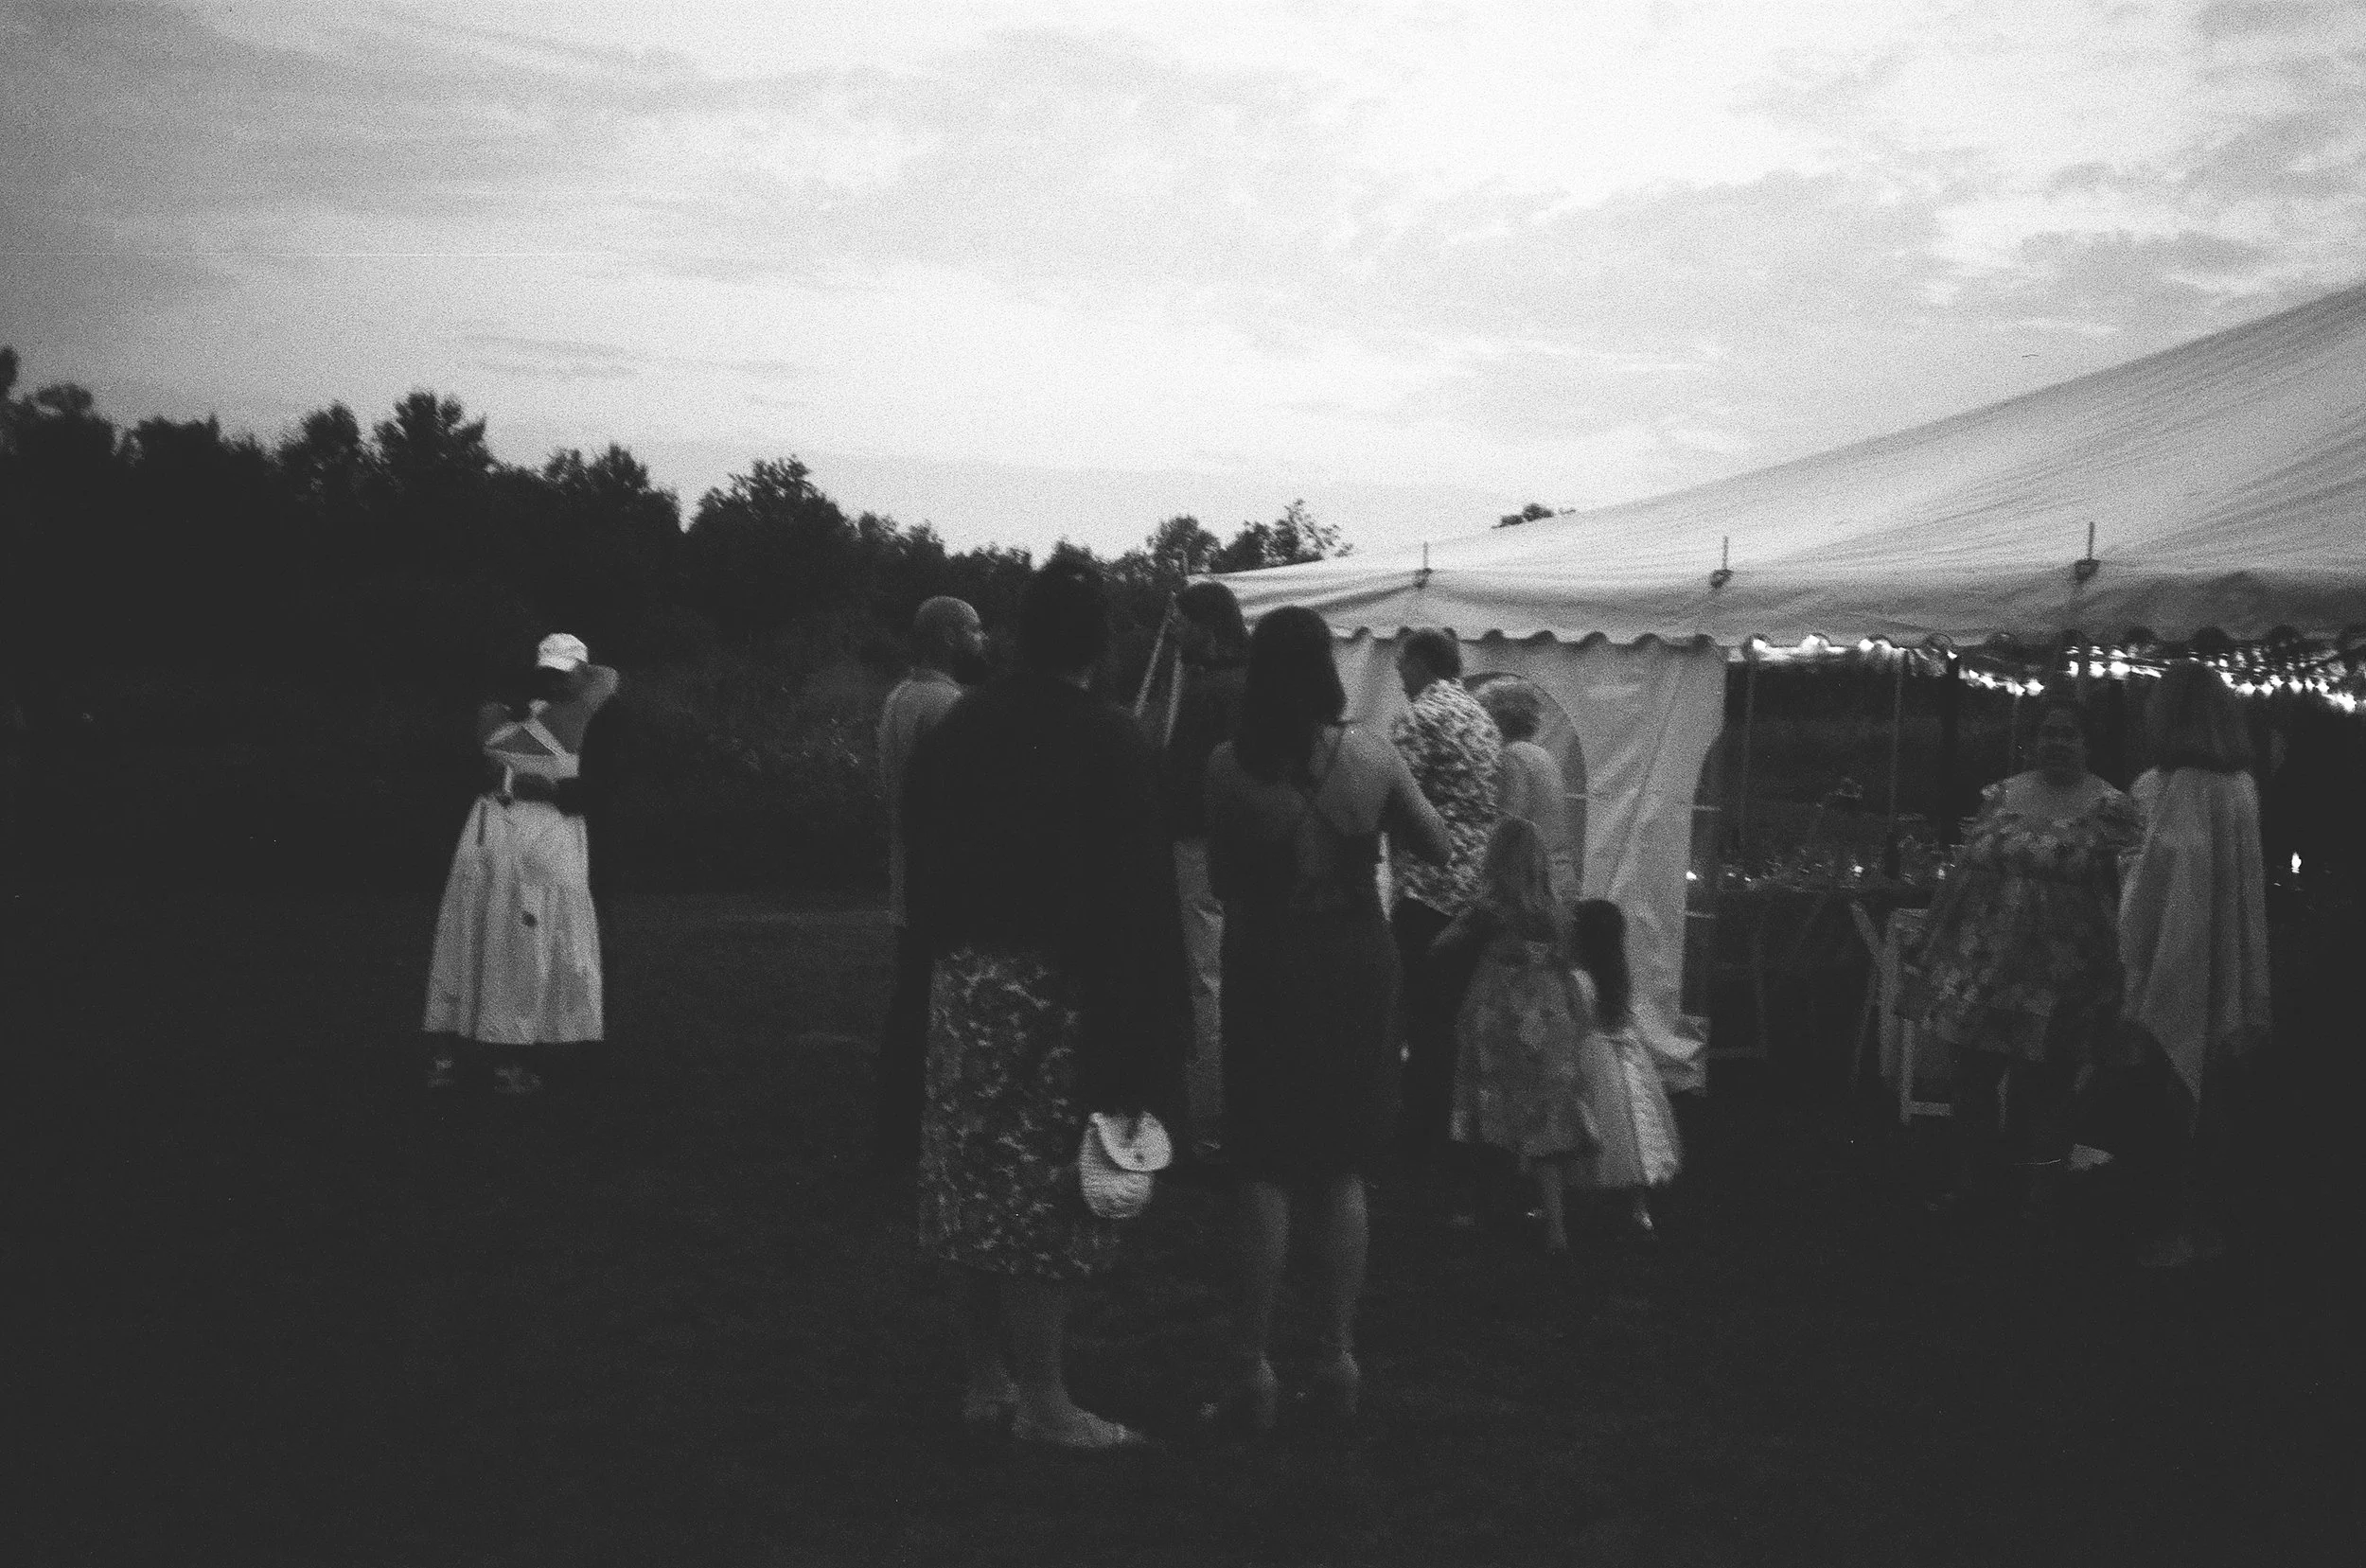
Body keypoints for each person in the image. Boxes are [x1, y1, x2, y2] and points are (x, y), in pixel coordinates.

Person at [903, 558, 1190, 1451]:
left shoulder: (959, 725)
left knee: (966, 1176)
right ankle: (1047, 1403)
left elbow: (922, 846)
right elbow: (1140, 890)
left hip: (963, 982)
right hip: (1058, 988)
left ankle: (987, 1380)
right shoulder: (1110, 738)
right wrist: (1154, 1020)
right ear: (1099, 646)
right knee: (1040, 1195)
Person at [1200, 606, 1449, 1432]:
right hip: (1356, 964)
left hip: (1270, 964)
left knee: (1263, 1165)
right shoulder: (1373, 754)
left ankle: (1249, 1369)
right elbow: (1439, 844)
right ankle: (1337, 1356)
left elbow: (1224, 883)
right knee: (1341, 1165)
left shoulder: (1226, 770)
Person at [1913, 695, 2141, 1224]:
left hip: (2065, 976)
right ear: (2031, 740)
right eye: (2048, 732)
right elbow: (1968, 870)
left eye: (2069, 733)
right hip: (1986, 968)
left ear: (2087, 743)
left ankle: (2042, 1194)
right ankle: (1974, 1185)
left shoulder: (2114, 809)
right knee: (1971, 1079)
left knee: (2049, 1088)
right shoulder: (2002, 796)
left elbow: (2132, 892)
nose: (2057, 743)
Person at [2117, 661, 2271, 1268]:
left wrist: (2118, 862)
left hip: (2175, 960)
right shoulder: (2240, 785)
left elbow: (2156, 881)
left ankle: (2178, 1227)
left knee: (2173, 1095)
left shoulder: (2174, 787)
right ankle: (2211, 1224)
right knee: (2217, 1093)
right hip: (2224, 955)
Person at [423, 633, 619, 1094]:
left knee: (475, 935)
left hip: (489, 831)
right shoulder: (577, 715)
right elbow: (606, 682)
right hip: (539, 838)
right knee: (521, 941)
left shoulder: (494, 717)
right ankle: (508, 1058)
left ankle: (452, 1054)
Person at [1433, 817, 1590, 1254]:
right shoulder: (1556, 911)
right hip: (1549, 1018)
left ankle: (1474, 1209)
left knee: (1481, 1107)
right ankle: (1555, 1224)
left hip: (1498, 1016)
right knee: (1545, 1117)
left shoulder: (1491, 908)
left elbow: (1442, 946)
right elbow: (1566, 963)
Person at [872, 596, 986, 1169]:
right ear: (947, 638)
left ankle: (896, 1117)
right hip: (936, 877)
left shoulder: (898, 696)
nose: (983, 639)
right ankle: (916, 1125)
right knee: (932, 1003)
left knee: (910, 997)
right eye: (974, 629)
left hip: (905, 875)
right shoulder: (949, 704)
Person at [1388, 628, 1504, 1164]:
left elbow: (1395, 797)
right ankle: (1465, 1128)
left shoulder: (1420, 717)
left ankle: (1421, 1132)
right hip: (1474, 884)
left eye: (1401, 659)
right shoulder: (1481, 717)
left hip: (1428, 887)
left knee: (1422, 1015)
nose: (1395, 669)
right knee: (1458, 1012)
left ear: (1423, 662)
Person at [1157, 581, 1250, 1160]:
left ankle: (1211, 1117)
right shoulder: (1251, 683)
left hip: (1199, 844)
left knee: (1205, 976)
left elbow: (1185, 775)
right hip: (1242, 845)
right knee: (1232, 969)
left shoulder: (1209, 689)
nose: (1172, 631)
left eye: (1181, 620)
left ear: (1207, 627)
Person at [1564, 898, 1683, 1237]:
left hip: (1590, 1052)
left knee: (1583, 1125)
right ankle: (1638, 1209)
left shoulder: (1578, 978)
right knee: (1635, 1128)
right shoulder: (1617, 974)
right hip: (1626, 1055)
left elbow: (1577, 1022)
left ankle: (1564, 1199)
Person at [1479, 679, 1577, 905]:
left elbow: (1509, 827)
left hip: (1532, 888)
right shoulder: (1543, 756)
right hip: (1560, 877)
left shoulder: (1510, 758)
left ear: (1495, 718)